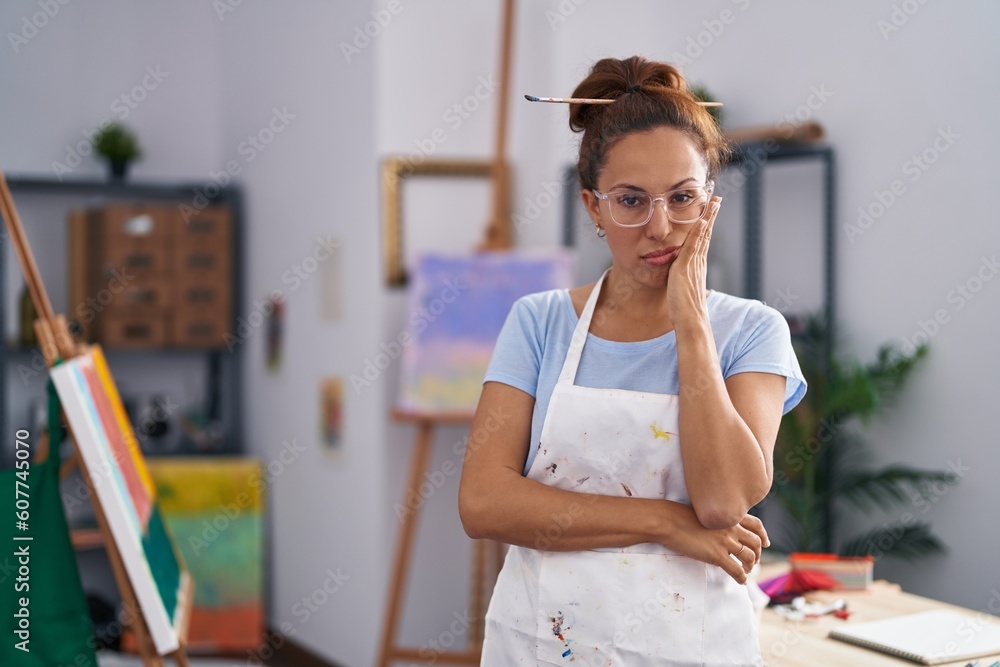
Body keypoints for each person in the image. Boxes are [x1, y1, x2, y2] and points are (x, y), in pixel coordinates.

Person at [458, 55, 807, 666]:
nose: (661, 226)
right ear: (593, 207)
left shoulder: (752, 332)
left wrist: (692, 323)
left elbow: (725, 501)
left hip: (690, 647)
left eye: (683, 198)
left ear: (710, 203)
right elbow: (484, 503)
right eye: (630, 200)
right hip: (543, 644)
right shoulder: (539, 323)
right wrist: (666, 523)